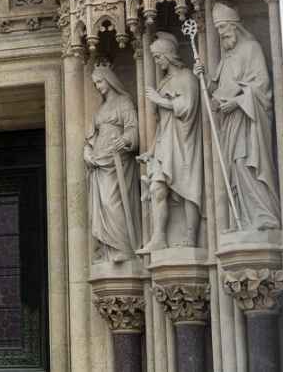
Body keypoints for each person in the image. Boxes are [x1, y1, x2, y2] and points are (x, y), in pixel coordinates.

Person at [211, 2, 280, 231]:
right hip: (231, 122)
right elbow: (219, 92)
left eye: (223, 27)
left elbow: (262, 85)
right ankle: (241, 218)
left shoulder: (251, 48)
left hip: (249, 119)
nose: (221, 33)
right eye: (218, 29)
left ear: (234, 26)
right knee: (232, 167)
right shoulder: (226, 59)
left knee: (245, 163)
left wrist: (237, 101)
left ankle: (264, 215)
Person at [140, 32, 203, 250]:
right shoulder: (164, 82)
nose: (156, 61)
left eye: (158, 57)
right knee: (157, 188)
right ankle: (159, 237)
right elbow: (161, 123)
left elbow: (188, 107)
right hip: (165, 141)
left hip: (184, 140)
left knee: (187, 187)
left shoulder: (187, 77)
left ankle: (191, 237)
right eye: (154, 57)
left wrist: (160, 100)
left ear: (168, 55)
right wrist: (151, 149)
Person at [85, 65, 141, 263]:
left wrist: (125, 140)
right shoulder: (100, 109)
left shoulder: (123, 102)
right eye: (95, 84)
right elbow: (91, 138)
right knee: (101, 206)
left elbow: (134, 128)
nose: (98, 86)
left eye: (100, 82)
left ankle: (123, 249)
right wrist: (87, 153)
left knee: (112, 203)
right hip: (100, 164)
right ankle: (108, 249)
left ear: (109, 79)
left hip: (117, 160)